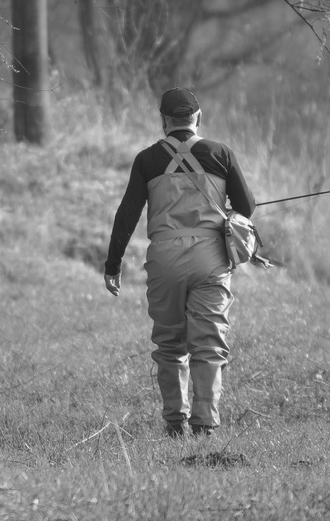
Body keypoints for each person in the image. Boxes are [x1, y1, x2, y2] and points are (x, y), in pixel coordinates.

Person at [103, 87, 256, 437]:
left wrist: (113, 265)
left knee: (170, 344)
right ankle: (205, 423)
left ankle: (175, 422)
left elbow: (127, 214)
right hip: (211, 257)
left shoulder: (146, 160)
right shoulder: (221, 153)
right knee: (208, 343)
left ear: (163, 121)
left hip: (165, 258)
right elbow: (246, 208)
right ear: (198, 118)